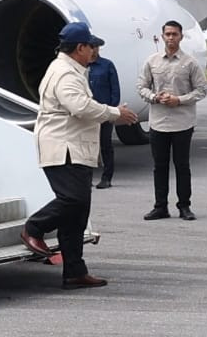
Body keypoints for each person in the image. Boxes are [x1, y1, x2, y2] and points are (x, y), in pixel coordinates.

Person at [19, 21, 138, 290]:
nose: (94, 51)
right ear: (80, 47)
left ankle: (74, 272)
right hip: (64, 148)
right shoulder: (65, 72)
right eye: (91, 46)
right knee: (73, 200)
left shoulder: (72, 70)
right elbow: (80, 106)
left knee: (77, 214)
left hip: (74, 148)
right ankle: (34, 228)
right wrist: (115, 113)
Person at [137, 20, 207, 221]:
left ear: (181, 37)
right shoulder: (152, 61)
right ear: (162, 37)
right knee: (159, 166)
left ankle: (184, 206)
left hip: (182, 123)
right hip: (158, 123)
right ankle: (160, 206)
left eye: (174, 34)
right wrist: (154, 97)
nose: (170, 37)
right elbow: (141, 86)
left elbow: (201, 90)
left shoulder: (190, 63)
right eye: (167, 34)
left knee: (182, 166)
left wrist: (179, 100)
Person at [87, 44, 120, 189]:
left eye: (95, 47)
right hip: (87, 112)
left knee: (105, 144)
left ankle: (107, 177)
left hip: (104, 112)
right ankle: (87, 177)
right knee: (87, 145)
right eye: (90, 47)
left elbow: (115, 90)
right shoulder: (82, 66)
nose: (93, 50)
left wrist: (112, 110)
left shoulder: (107, 65)